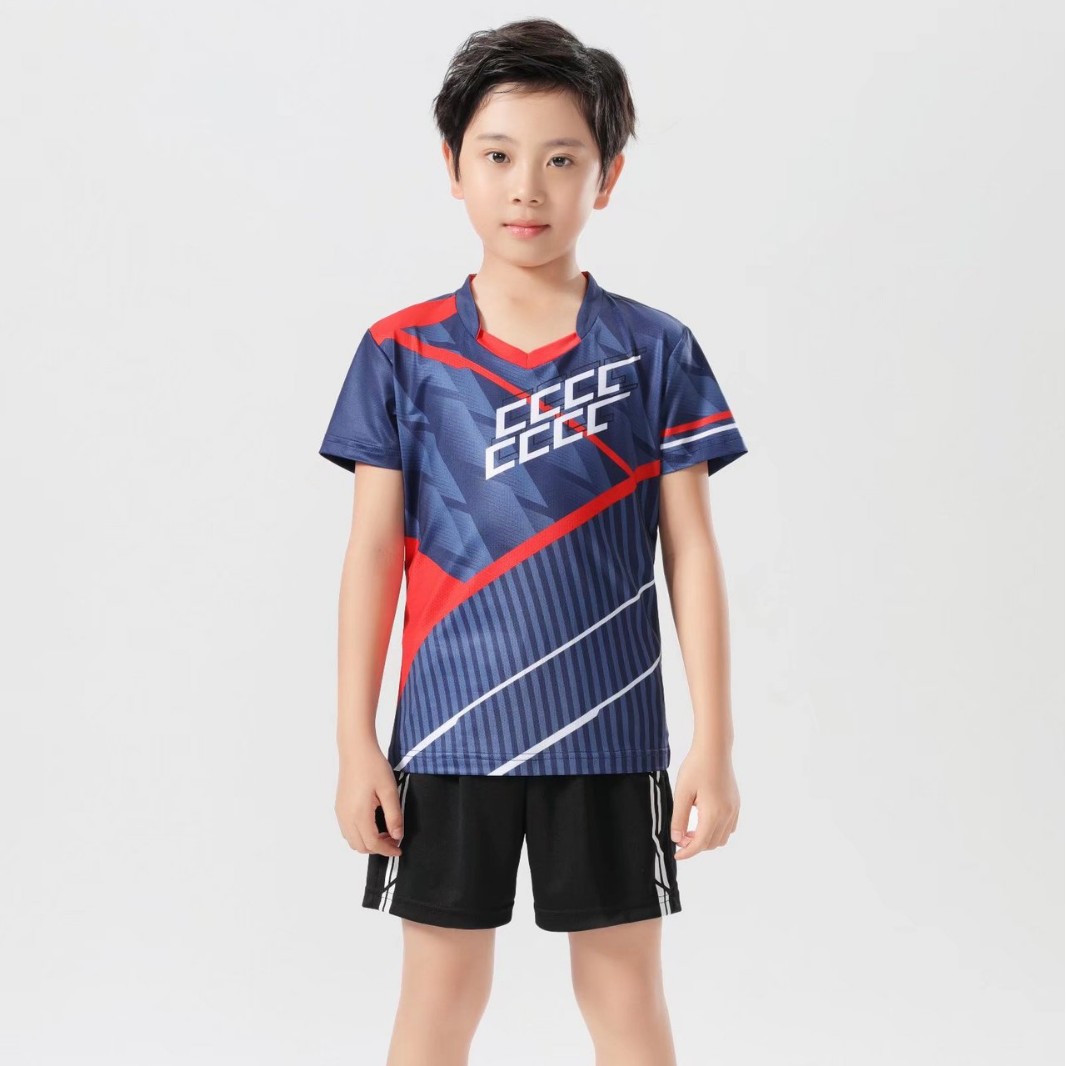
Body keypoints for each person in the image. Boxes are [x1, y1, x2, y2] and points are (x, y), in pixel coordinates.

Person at [319, 17, 748, 1066]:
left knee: (627, 1000)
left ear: (607, 177)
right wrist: (354, 741)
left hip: (611, 737)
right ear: (453, 167)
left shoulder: (655, 350)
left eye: (562, 160)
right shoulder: (401, 352)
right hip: (447, 736)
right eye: (499, 156)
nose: (527, 188)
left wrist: (715, 743)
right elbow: (372, 555)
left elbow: (691, 552)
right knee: (437, 999)